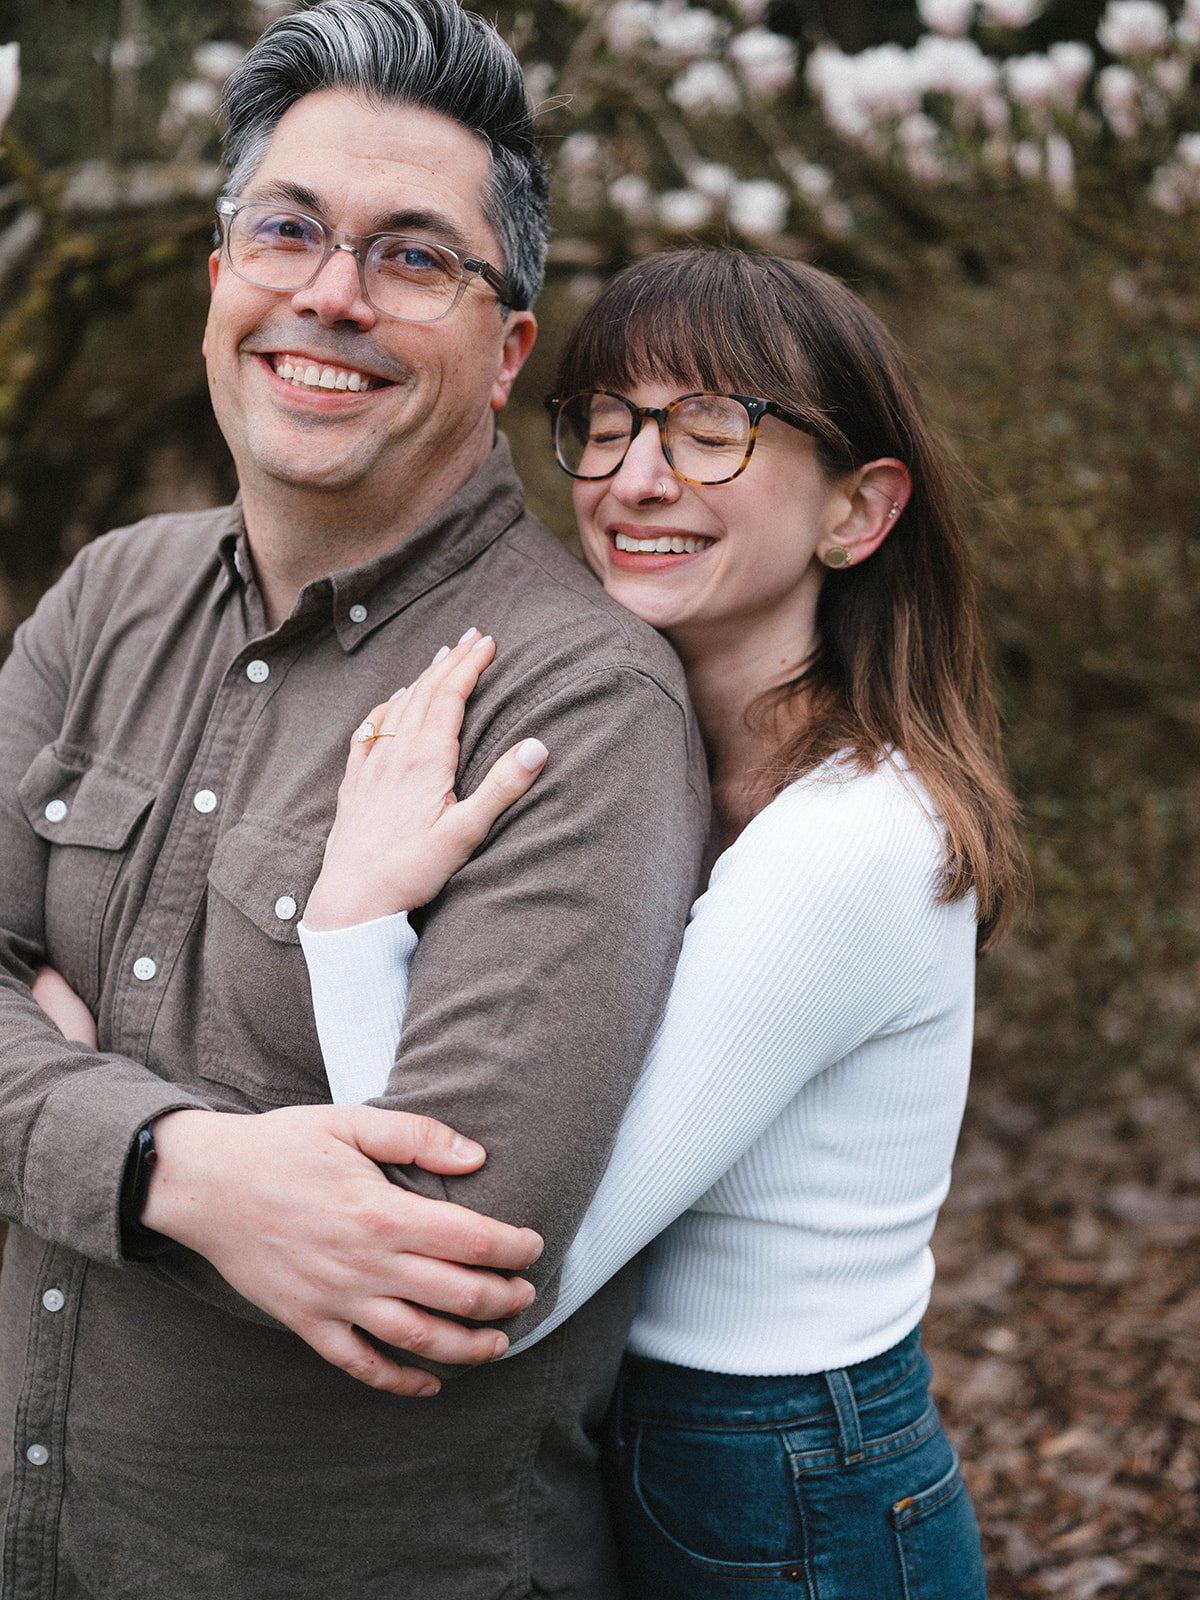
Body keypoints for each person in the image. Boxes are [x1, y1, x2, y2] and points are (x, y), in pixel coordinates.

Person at [0, 2, 707, 1593]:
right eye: (289, 231)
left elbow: (443, 1255)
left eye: (410, 256)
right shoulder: (112, 592)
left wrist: (58, 1075)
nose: (330, 293)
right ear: (220, 277)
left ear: (506, 344)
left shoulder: (573, 696)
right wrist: (182, 1163)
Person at [292, 249, 1027, 1597]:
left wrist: (350, 917)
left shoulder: (848, 844)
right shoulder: (668, 764)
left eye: (709, 429)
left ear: (858, 512)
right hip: (687, 1441)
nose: (635, 480)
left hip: (789, 1473)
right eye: (610, 425)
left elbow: (480, 1282)